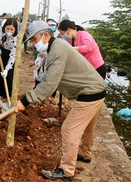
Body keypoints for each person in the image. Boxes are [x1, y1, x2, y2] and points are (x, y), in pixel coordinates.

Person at [15, 20, 106, 181]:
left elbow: (50, 83)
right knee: (88, 127)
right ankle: (85, 154)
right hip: (96, 89)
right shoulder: (57, 47)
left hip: (89, 94)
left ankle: (66, 171)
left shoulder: (58, 49)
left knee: (69, 129)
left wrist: (25, 101)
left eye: (35, 39)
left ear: (45, 35)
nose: (34, 44)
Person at [0, 18, 18, 99]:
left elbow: (13, 55)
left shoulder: (16, 38)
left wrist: (7, 69)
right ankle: (2, 94)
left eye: (12, 29)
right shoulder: (0, 30)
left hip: (11, 54)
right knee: (1, 74)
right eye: (7, 28)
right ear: (4, 27)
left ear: (15, 29)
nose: (9, 31)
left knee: (9, 75)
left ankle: (9, 96)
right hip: (2, 52)